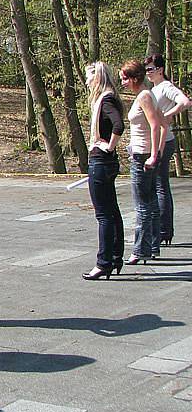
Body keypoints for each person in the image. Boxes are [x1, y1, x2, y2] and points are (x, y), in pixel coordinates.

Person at [82, 62, 125, 280]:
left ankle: (104, 262)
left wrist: (108, 145)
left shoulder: (105, 99)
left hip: (101, 161)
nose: (87, 82)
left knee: (104, 215)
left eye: (89, 77)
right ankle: (116, 258)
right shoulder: (110, 97)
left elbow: (118, 126)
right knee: (112, 211)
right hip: (107, 162)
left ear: (97, 78)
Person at [144, 54, 192, 247]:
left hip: (165, 140)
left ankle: (164, 230)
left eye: (151, 69)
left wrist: (167, 115)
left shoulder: (166, 87)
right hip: (157, 139)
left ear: (160, 70)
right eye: (146, 70)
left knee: (160, 185)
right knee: (159, 184)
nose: (148, 73)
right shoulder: (154, 88)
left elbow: (186, 101)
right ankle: (164, 230)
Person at [120, 60, 164, 265]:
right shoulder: (146, 94)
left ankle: (140, 249)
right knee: (151, 203)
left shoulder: (145, 96)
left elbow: (157, 126)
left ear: (135, 78)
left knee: (143, 206)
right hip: (142, 153)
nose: (122, 82)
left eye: (125, 78)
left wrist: (154, 155)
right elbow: (164, 122)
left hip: (142, 156)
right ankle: (153, 246)